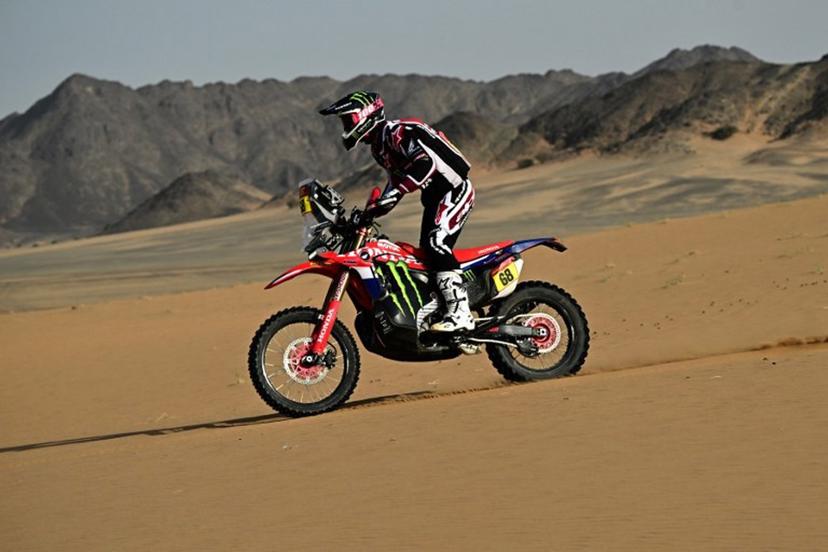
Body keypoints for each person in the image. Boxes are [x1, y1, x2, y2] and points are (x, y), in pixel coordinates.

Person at [319, 91, 475, 332]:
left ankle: (462, 315)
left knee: (435, 244)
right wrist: (372, 211)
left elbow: (426, 164)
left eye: (348, 120)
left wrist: (394, 192)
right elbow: (395, 182)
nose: (346, 127)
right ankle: (440, 309)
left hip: (454, 190)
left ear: (366, 116)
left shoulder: (398, 132)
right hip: (434, 198)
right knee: (425, 253)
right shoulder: (379, 148)